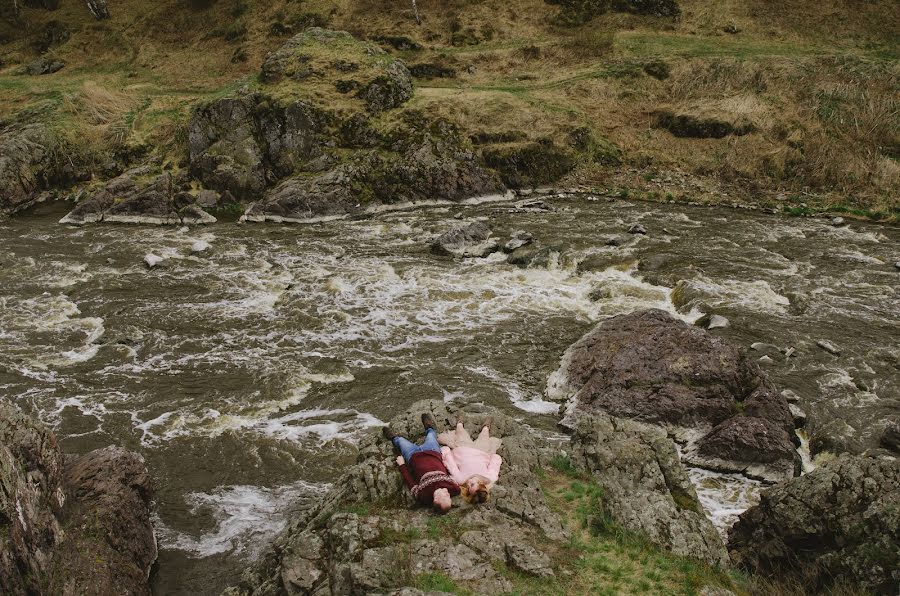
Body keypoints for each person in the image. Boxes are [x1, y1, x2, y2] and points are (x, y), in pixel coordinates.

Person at [383, 413, 460, 512]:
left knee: (401, 441)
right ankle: (429, 427)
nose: (448, 495)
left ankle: (393, 438)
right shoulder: (454, 489)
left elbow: (409, 481)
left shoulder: (423, 495)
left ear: (436, 499)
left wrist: (402, 465)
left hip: (412, 456)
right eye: (449, 498)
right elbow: (453, 474)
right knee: (432, 435)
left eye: (446, 497)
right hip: (432, 451)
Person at [438, 413, 502, 504]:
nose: (468, 484)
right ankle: (485, 427)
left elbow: (450, 464)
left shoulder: (460, 480)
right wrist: (488, 457)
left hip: (463, 449)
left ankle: (460, 424)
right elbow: (496, 459)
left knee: (460, 433)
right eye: (472, 484)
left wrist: (445, 452)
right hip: (482, 452)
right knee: (484, 436)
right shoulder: (490, 478)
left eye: (468, 488)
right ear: (481, 483)